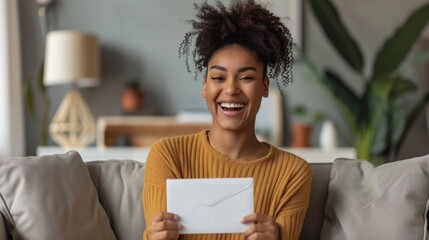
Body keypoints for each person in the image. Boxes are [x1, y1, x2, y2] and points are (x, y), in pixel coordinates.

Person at [142, 1, 312, 239]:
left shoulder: (292, 173)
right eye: (218, 77)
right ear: (205, 86)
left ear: (264, 86)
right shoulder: (169, 155)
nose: (231, 89)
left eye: (246, 77)